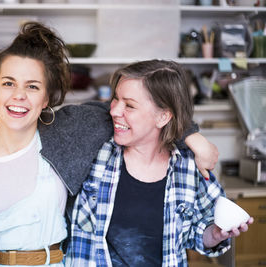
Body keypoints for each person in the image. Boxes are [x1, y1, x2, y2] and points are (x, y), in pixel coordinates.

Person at [0, 23, 219, 265]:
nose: (18, 95)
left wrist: (193, 136)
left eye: (32, 86)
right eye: (8, 83)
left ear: (46, 98)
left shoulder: (70, 133)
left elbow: (142, 115)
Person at [65, 60, 253, 266]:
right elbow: (82, 114)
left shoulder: (189, 166)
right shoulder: (92, 151)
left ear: (163, 116)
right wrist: (194, 136)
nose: (115, 111)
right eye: (115, 99)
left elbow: (199, 233)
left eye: (129, 105)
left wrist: (214, 234)